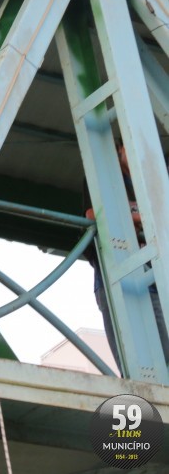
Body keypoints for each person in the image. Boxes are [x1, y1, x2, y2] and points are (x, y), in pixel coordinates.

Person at [83, 139, 169, 372]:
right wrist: (144, 217)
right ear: (119, 148)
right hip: (115, 273)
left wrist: (130, 215)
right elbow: (94, 214)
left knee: (162, 352)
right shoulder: (103, 177)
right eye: (131, 148)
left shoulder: (152, 182)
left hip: (151, 273)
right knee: (131, 360)